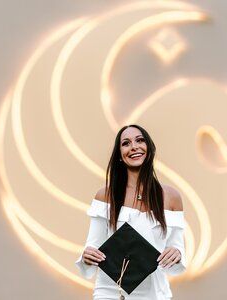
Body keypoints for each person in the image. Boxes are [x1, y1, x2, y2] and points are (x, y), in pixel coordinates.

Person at [75, 124, 187, 299]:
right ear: (120, 155)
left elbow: (176, 258)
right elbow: (92, 249)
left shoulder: (171, 197)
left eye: (140, 140)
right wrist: (86, 256)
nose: (134, 146)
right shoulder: (105, 195)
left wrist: (177, 254)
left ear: (149, 148)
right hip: (112, 293)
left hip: (155, 294)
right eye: (126, 143)